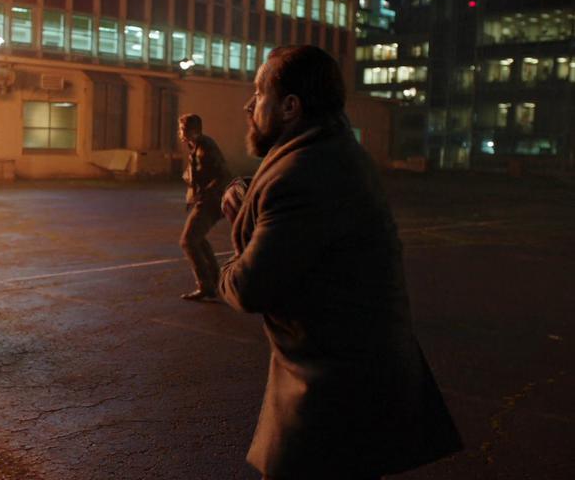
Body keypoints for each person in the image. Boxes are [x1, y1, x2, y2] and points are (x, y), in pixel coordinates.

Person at [218, 45, 462, 479]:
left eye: (259, 93)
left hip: (336, 395)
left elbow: (248, 287)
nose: (249, 105)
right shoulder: (332, 152)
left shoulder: (300, 175)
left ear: (291, 106)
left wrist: (243, 232)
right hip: (361, 382)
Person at [178, 113, 232, 301]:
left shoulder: (206, 148)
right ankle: (215, 279)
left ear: (194, 130)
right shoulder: (194, 146)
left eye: (183, 129)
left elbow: (223, 174)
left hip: (212, 201)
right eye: (180, 128)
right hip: (206, 199)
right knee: (197, 238)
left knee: (188, 240)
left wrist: (207, 192)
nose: (180, 133)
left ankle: (206, 285)